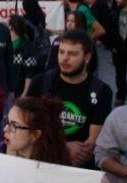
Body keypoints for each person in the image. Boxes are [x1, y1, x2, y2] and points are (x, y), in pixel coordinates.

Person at [25, 30, 113, 168]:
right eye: (61, 52)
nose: (64, 58)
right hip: (44, 162)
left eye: (72, 54)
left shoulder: (101, 91)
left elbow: (92, 140)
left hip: (81, 168)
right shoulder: (40, 83)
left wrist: (74, 155)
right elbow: (27, 126)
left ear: (87, 57)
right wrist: (63, 149)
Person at [0, 96, 71, 166]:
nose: (5, 129)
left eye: (14, 125)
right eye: (7, 122)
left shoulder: (55, 165)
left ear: (35, 134)